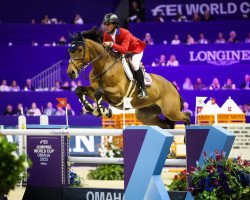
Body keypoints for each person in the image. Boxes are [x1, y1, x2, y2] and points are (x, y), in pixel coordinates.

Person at [102, 13, 148, 99]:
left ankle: (143, 90)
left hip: (135, 50)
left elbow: (123, 50)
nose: (106, 26)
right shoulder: (106, 34)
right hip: (121, 52)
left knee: (134, 64)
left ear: (115, 24)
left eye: (108, 24)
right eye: (105, 23)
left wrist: (111, 44)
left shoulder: (125, 33)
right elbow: (106, 49)